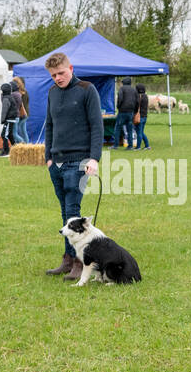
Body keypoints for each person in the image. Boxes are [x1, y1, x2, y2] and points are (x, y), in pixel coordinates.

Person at [43, 52, 102, 279]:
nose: (58, 78)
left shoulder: (87, 90)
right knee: (64, 211)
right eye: (53, 75)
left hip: (78, 160)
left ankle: (80, 261)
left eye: (61, 73)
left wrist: (93, 158)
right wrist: (48, 157)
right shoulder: (51, 93)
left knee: (73, 210)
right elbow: (49, 125)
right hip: (56, 161)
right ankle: (67, 260)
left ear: (71, 68)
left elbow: (96, 126)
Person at [114, 77, 138, 150]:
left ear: (123, 82)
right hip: (131, 112)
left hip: (122, 111)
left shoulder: (122, 89)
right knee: (130, 129)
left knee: (117, 128)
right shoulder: (134, 90)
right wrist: (135, 111)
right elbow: (137, 101)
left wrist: (118, 107)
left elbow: (120, 98)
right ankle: (130, 146)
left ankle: (116, 145)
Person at [0, 81, 19, 156]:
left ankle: (6, 151)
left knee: (4, 135)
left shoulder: (6, 98)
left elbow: (4, 110)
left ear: (4, 91)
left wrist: (2, 120)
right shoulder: (10, 97)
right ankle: (16, 150)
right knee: (10, 135)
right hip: (12, 119)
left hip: (9, 119)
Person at [13, 76, 29, 144]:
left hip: (21, 114)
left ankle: (23, 144)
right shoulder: (25, 92)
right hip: (26, 113)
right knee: (23, 131)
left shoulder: (18, 93)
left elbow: (19, 105)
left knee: (15, 132)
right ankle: (27, 145)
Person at [134, 83, 149, 150]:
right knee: (141, 132)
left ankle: (138, 147)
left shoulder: (139, 97)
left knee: (139, 132)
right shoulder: (145, 96)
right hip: (144, 116)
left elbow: (136, 106)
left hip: (139, 116)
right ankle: (147, 145)